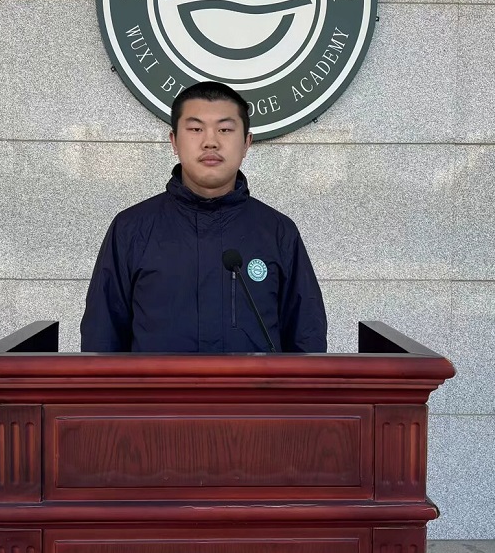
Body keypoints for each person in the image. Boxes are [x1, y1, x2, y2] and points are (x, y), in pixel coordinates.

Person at [80, 81, 327, 353]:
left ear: (246, 143)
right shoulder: (131, 229)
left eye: (225, 129)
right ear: (174, 141)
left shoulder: (277, 231)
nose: (210, 142)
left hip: (254, 384)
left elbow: (307, 338)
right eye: (196, 129)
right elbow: (102, 336)